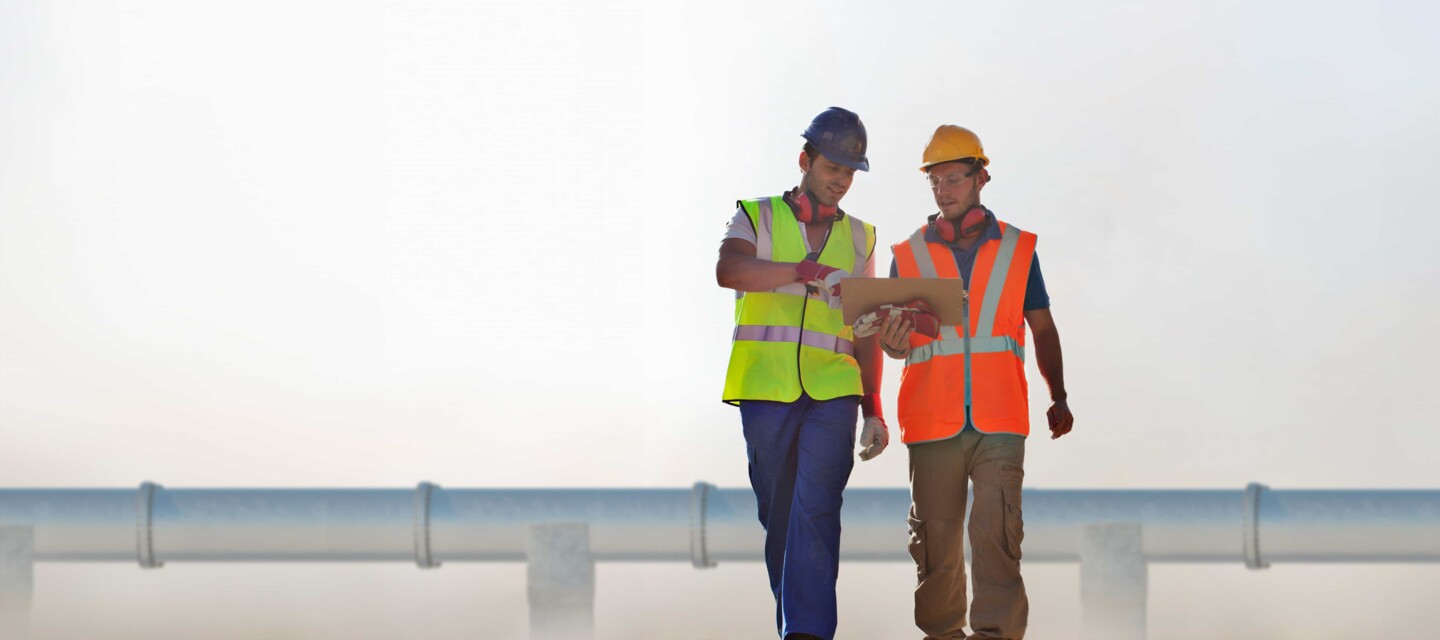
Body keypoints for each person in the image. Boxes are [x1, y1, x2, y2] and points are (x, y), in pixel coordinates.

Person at [878, 125, 1075, 640]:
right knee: (936, 548)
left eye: (954, 179)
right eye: (935, 181)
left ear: (981, 178)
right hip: (930, 419)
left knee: (997, 538)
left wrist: (1058, 395)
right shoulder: (908, 253)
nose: (943, 191)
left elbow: (1043, 328)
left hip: (1000, 419)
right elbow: (895, 342)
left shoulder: (1018, 249)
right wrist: (892, 343)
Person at [714, 106, 890, 640]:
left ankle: (807, 632)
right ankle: (795, 623)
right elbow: (729, 269)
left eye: (850, 171)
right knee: (780, 517)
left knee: (817, 507)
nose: (841, 180)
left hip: (834, 389)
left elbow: (865, 328)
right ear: (804, 160)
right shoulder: (756, 216)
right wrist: (802, 271)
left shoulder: (861, 237)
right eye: (832, 167)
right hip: (765, 390)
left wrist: (874, 409)